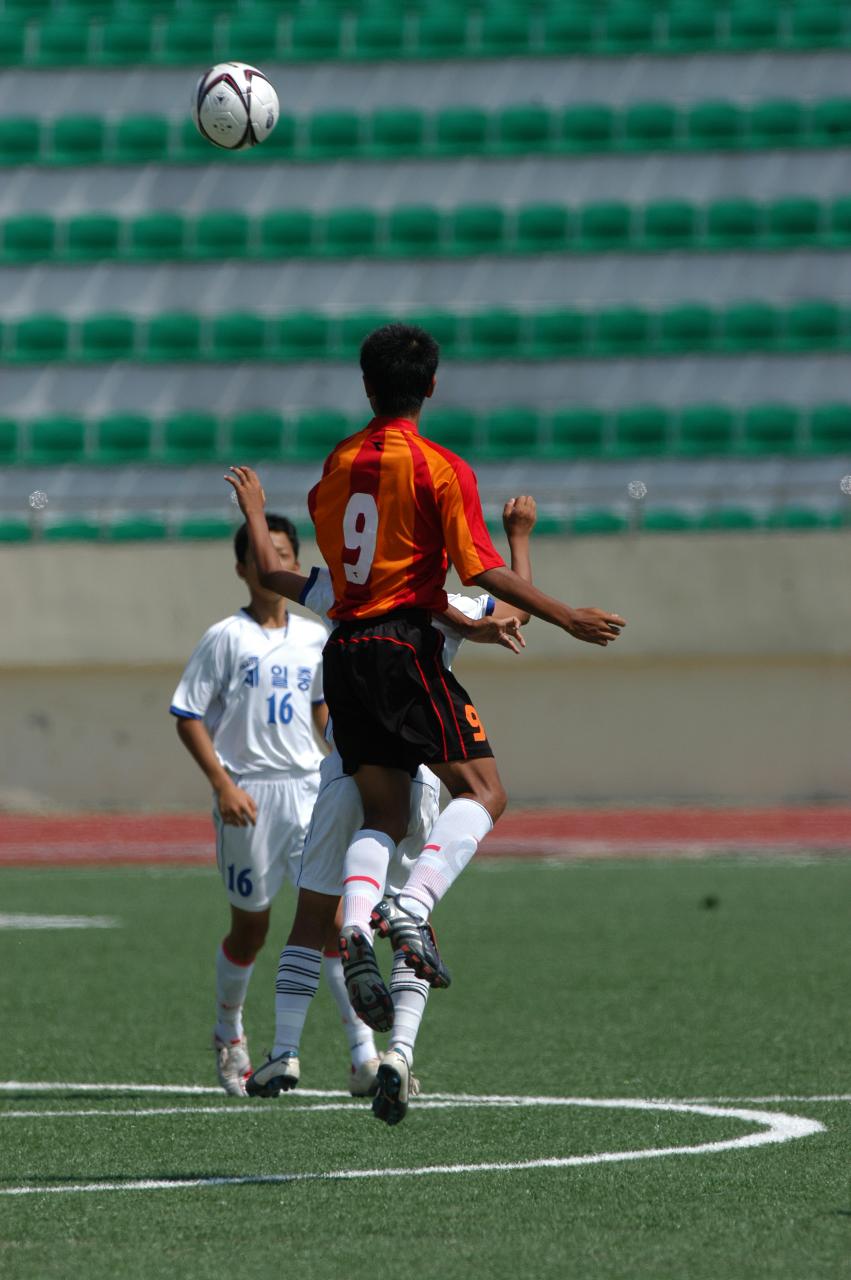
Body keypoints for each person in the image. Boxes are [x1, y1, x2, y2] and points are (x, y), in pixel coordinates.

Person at [230, 321, 626, 1051]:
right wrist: (565, 614)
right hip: (401, 648)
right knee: (485, 791)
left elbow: (326, 567)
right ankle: (409, 909)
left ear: (365, 385)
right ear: (432, 386)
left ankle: (350, 941)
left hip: (342, 650)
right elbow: (477, 574)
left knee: (381, 815)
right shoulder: (439, 467)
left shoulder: (338, 461)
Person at [224, 471, 534, 1123]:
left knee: (314, 917)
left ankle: (283, 1052)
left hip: (345, 773)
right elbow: (514, 612)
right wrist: (517, 538)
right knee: (413, 918)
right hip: (416, 778)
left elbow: (273, 578)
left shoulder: (346, 595)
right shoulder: (440, 602)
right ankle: (396, 1055)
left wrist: (254, 512)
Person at [170, 514, 339, 1097]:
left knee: (335, 921)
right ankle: (228, 1033)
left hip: (311, 789)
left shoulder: (316, 635)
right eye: (267, 554)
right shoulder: (226, 637)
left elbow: (320, 707)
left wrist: (341, 742)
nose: (279, 565)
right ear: (245, 567)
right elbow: (188, 715)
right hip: (249, 795)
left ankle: (363, 1055)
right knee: (253, 928)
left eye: (288, 554)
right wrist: (222, 784)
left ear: (298, 563)